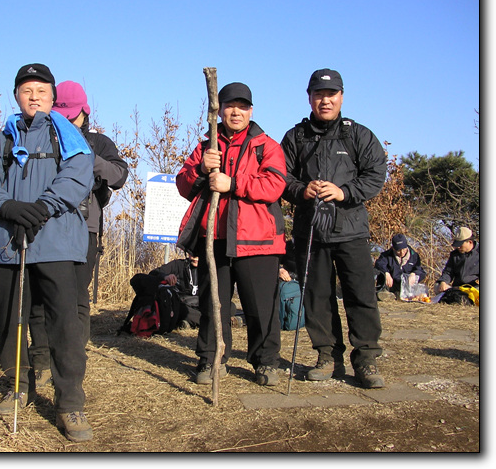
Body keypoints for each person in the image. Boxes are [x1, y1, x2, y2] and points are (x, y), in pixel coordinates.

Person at [0, 63, 95, 443]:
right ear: (16, 97)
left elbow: (78, 175)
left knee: (63, 323)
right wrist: (7, 207)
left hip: (56, 240)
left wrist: (42, 207)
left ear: (53, 97)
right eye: (27, 90)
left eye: (41, 90)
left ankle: (69, 400)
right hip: (9, 242)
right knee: (9, 319)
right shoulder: (2, 140)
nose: (34, 96)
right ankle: (19, 385)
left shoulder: (67, 135)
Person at [280, 68, 388, 389]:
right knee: (316, 296)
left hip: (351, 229)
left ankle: (366, 358)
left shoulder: (358, 135)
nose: (324, 100)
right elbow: (281, 178)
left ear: (341, 97)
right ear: (310, 98)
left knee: (361, 295)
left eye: (331, 94)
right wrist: (302, 190)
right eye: (318, 94)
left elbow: (375, 174)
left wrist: (344, 192)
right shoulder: (295, 137)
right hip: (310, 231)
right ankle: (328, 356)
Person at [176, 82, 287, 387]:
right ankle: (211, 359)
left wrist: (233, 183)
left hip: (259, 242)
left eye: (243, 106)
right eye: (229, 106)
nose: (236, 111)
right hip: (216, 240)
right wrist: (200, 168)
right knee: (214, 305)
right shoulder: (205, 147)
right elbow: (184, 187)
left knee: (261, 307)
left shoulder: (267, 146)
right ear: (219, 110)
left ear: (251, 111)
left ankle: (265, 363)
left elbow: (274, 185)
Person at [28, 80, 128, 388]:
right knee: (40, 296)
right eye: (62, 113)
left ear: (85, 112)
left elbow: (119, 175)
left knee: (75, 296)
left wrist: (88, 158)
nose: (67, 119)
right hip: (45, 225)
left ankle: (73, 355)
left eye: (73, 114)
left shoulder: (98, 143)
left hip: (85, 228)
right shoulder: (43, 137)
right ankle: (42, 359)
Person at [148, 255, 203, 329]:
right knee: (182, 310)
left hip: (200, 304)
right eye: (193, 253)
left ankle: (187, 322)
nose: (196, 257)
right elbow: (154, 273)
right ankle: (196, 321)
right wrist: (165, 276)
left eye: (198, 254)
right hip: (181, 304)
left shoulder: (209, 268)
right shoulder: (178, 264)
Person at [374, 233, 426, 301]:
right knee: (381, 273)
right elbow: (379, 264)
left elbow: (420, 270)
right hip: (390, 286)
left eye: (404, 249)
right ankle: (384, 294)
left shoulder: (414, 256)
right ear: (393, 248)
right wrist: (386, 273)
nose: (402, 253)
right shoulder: (386, 255)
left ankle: (402, 295)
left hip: (406, 287)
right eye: (398, 250)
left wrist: (414, 274)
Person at [435, 227, 480, 293]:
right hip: (458, 287)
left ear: (470, 242)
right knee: (437, 286)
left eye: (460, 245)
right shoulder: (454, 254)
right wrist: (443, 282)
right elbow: (448, 272)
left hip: (474, 287)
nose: (458, 247)